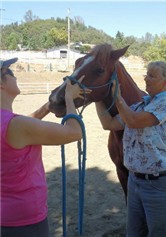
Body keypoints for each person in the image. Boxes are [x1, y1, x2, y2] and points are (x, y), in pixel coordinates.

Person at [0, 58, 91, 237]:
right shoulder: (16, 125)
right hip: (25, 218)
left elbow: (24, 125)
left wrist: (49, 106)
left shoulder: (11, 123)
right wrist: (69, 98)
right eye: (9, 72)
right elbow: (74, 132)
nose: (14, 74)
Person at [95, 61, 166, 237]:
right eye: (146, 74)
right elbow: (109, 123)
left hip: (160, 184)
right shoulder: (139, 106)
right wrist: (98, 97)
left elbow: (134, 121)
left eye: (152, 76)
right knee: (134, 233)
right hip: (135, 182)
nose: (146, 78)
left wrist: (117, 97)